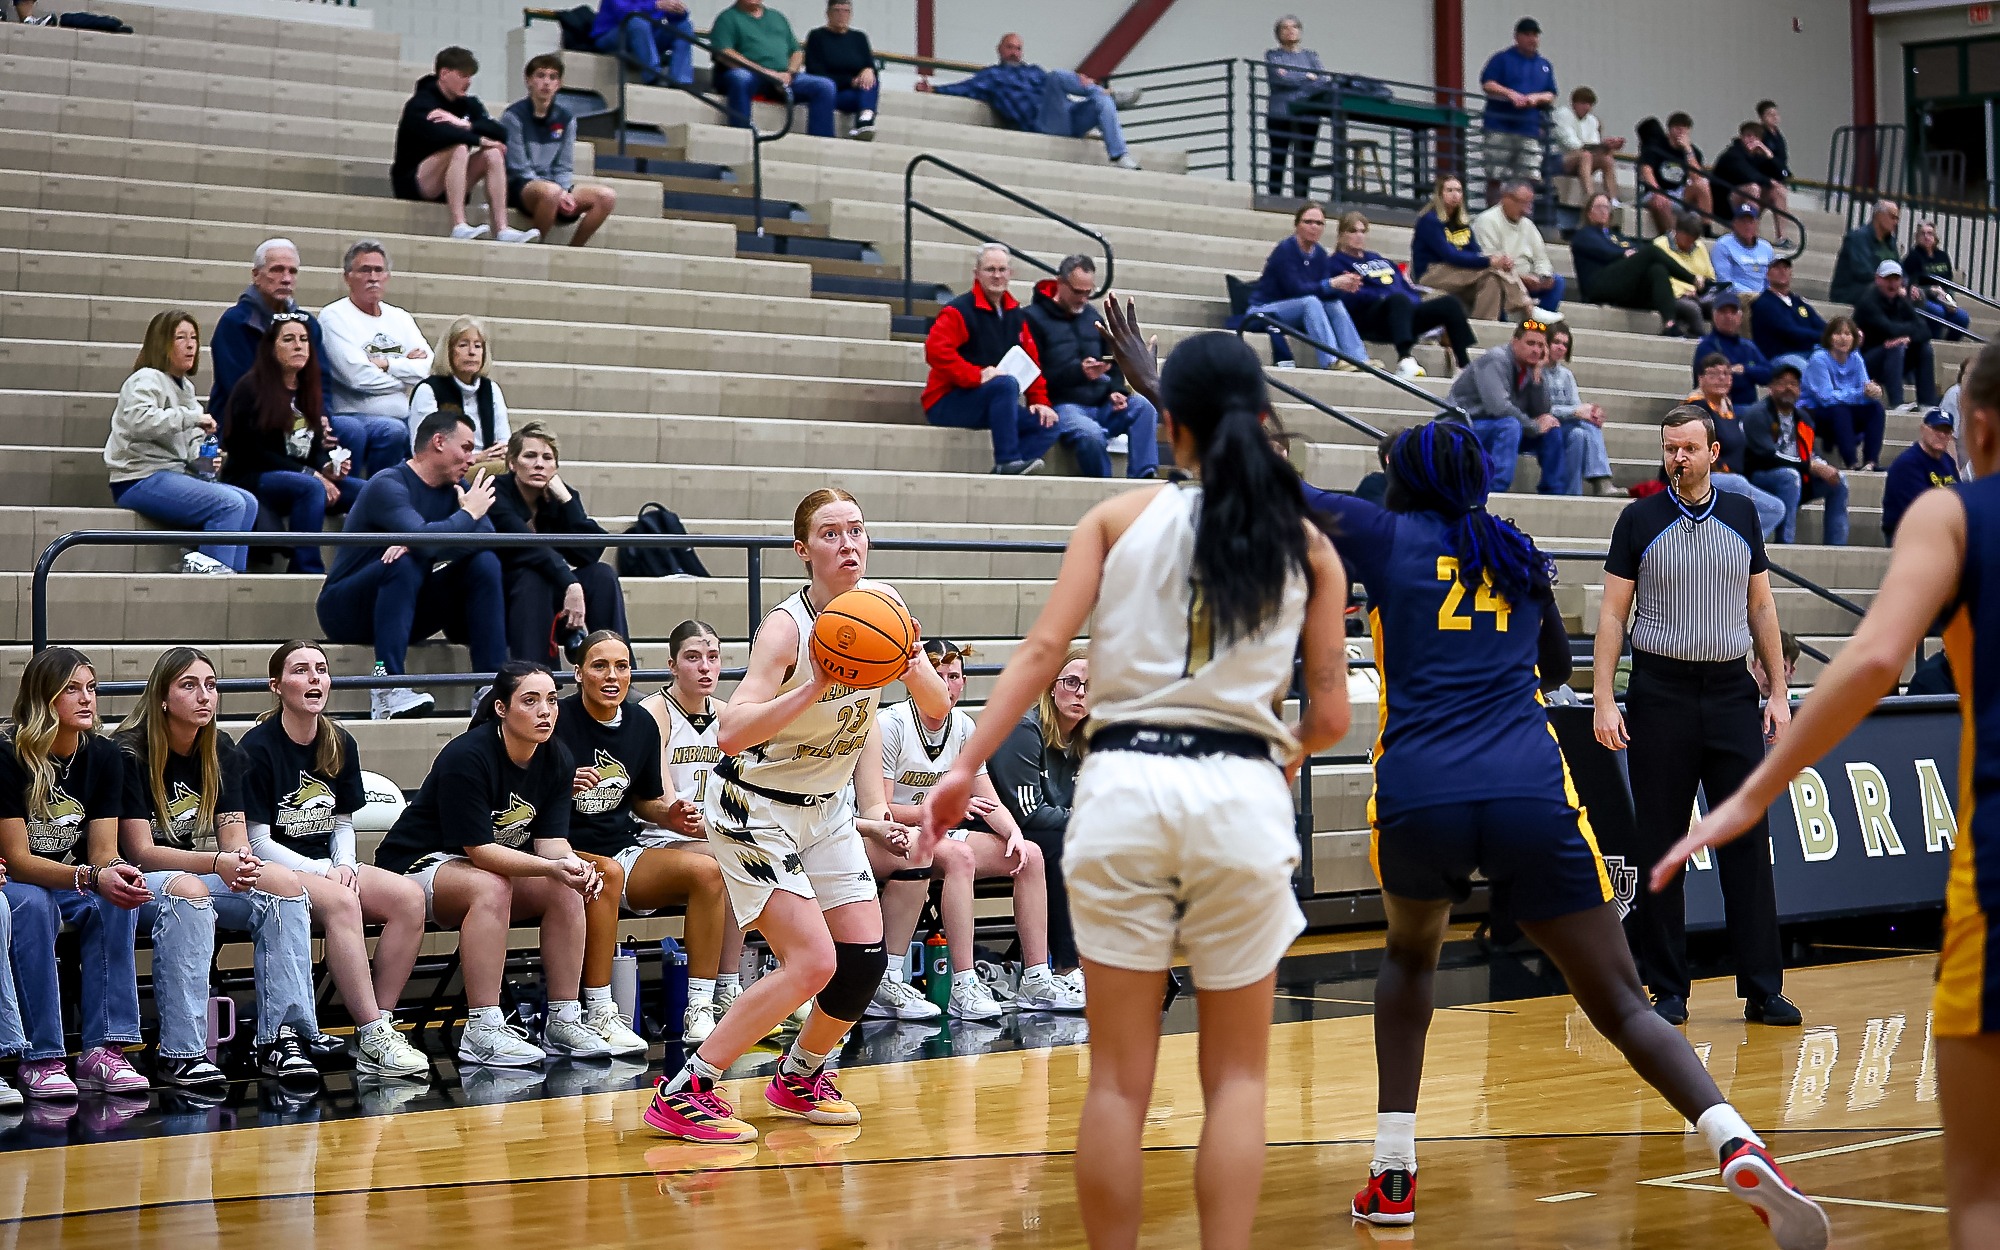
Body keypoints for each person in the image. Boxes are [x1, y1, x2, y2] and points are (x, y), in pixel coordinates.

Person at [1315, 420, 1825, 1243]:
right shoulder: (1513, 549)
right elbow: (1554, 667)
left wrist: (1171, 397)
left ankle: (1394, 1171)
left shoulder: (1387, 533)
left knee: (1409, 963)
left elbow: (1263, 484)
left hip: (1423, 793)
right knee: (1624, 1005)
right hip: (1527, 790)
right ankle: (1734, 1138)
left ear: (1410, 481)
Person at [925, 316, 1350, 1250]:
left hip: (1122, 786)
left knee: (1118, 1080)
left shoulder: (1116, 518)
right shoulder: (1309, 545)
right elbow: (1330, 720)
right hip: (1240, 792)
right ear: (1263, 413)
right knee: (1236, 1080)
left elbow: (1041, 654)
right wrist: (1270, 758)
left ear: (1174, 423)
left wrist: (961, 769)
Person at [1650, 346, 2000, 1248]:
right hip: (1675, 692)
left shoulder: (1952, 514)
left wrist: (1752, 793)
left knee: (1982, 1193)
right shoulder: (1646, 522)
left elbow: (1877, 658)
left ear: (1979, 427)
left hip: (1998, 869)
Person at [643, 488, 950, 1145]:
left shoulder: (885, 609)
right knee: (812, 962)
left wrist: (912, 657)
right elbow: (729, 732)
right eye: (832, 534)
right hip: (753, 808)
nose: (849, 545)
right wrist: (812, 682)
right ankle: (685, 1089)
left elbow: (934, 707)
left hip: (825, 808)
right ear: (803, 550)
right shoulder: (787, 629)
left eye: (857, 531)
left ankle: (801, 1075)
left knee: (864, 957)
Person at [1593, 408, 1799, 1029]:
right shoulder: (1638, 518)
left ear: (1713, 451)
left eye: (1687, 448)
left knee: (1746, 839)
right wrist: (1605, 697)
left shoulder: (1741, 514)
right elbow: (1610, 616)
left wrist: (1778, 690)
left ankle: (1763, 987)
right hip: (1660, 691)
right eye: (1668, 449)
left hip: (1732, 690)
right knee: (1662, 843)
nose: (1677, 458)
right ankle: (1668, 987)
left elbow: (1761, 607)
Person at [372, 663, 611, 1066]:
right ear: (501, 708)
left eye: (552, 700)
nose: (545, 711)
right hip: (417, 865)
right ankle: (482, 1029)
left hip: (482, 868)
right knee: (491, 885)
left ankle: (564, 1019)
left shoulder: (557, 757)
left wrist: (571, 866)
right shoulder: (468, 755)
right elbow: (480, 850)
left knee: (565, 886)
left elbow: (550, 843)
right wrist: (551, 867)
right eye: (530, 701)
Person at [115, 647, 324, 1084]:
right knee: (189, 892)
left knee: (283, 885)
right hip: (130, 880)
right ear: (162, 698)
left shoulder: (219, 748)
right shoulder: (128, 751)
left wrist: (243, 864)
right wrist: (217, 861)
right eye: (189, 686)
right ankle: (182, 1051)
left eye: (210, 686)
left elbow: (234, 840)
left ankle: (279, 1039)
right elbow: (140, 851)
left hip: (189, 869)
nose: (204, 696)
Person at [238, 642, 431, 1079]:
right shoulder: (257, 748)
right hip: (275, 870)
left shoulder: (339, 740)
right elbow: (257, 841)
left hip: (328, 865)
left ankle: (378, 1027)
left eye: (321, 670)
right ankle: (371, 1026)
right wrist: (326, 872)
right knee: (344, 903)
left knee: (408, 897)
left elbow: (341, 820)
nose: (314, 679)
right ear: (276, 685)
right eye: (300, 670)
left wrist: (344, 864)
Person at [869, 639, 1085, 1021]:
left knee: (1030, 855)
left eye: (953, 676)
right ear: (914, 682)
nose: (946, 684)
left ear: (963, 683)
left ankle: (1036, 979)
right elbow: (881, 809)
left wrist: (1013, 833)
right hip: (887, 834)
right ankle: (962, 983)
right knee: (959, 855)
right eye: (937, 675)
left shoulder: (964, 725)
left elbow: (989, 800)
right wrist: (933, 811)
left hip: (936, 833)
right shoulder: (892, 724)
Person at [556, 630, 730, 1052]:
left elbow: (645, 799)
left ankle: (701, 1007)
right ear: (578, 673)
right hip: (557, 851)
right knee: (606, 873)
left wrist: (667, 813)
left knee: (710, 872)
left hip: (622, 847)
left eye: (622, 666)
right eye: (600, 666)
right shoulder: (555, 720)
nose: (613, 675)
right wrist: (562, 782)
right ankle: (599, 1011)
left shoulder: (640, 723)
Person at [0, 647, 154, 1099]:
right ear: (43, 698)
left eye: (91, 688)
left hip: (67, 875)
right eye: (72, 690)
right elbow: (19, 859)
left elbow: (104, 853)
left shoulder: (104, 755)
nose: (87, 699)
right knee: (34, 903)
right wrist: (89, 877)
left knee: (115, 898)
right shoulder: (8, 756)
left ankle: (103, 1049)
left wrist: (116, 874)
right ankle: (42, 1055)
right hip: (13, 879)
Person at [315, 409, 507, 722]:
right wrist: (462, 519)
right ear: (439, 442)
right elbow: (431, 540)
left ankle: (489, 687)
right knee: (405, 560)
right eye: (467, 448)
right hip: (346, 608)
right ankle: (387, 683)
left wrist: (424, 539)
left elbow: (487, 539)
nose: (473, 460)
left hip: (406, 606)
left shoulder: (456, 491)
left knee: (484, 563)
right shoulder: (388, 484)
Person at [638, 621, 751, 1040]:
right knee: (735, 861)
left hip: (713, 837)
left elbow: (742, 788)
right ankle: (705, 997)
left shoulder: (727, 715)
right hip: (659, 838)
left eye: (713, 657)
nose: (705, 667)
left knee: (752, 855)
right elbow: (666, 802)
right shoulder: (655, 712)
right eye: (692, 657)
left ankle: (729, 989)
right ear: (672, 664)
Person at [106, 310, 260, 575]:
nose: (191, 345)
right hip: (138, 477)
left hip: (172, 474)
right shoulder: (145, 378)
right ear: (161, 343)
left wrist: (207, 460)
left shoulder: (185, 388)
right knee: (229, 504)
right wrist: (192, 418)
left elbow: (188, 449)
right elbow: (139, 421)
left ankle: (232, 579)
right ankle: (209, 584)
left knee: (248, 501)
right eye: (180, 338)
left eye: (194, 338)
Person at [222, 314, 358, 575]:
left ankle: (354, 566)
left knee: (366, 490)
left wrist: (327, 466)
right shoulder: (250, 388)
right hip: (253, 476)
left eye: (304, 339)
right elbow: (249, 452)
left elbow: (312, 448)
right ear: (271, 348)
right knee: (310, 487)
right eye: (289, 339)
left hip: (298, 478)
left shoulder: (308, 388)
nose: (299, 345)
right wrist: (311, 474)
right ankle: (305, 569)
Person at [987, 644, 1088, 989]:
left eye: (1091, 687)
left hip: (1047, 832)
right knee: (1062, 846)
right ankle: (1065, 966)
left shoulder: (1088, 738)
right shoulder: (1024, 729)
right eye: (1071, 682)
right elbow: (1026, 813)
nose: (1080, 694)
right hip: (996, 831)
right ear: (1051, 684)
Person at [488, 423, 629, 667]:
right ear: (512, 463)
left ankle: (618, 671)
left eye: (547, 457)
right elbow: (525, 545)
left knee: (602, 575)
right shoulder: (495, 491)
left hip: (551, 599)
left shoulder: (559, 497)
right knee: (532, 576)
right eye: (530, 456)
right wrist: (571, 584)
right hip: (505, 598)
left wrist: (566, 501)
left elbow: (588, 552)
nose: (539, 464)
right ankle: (536, 679)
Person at [922, 243, 1059, 476]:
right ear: (977, 274)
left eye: (1002, 269)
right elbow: (935, 351)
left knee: (1048, 424)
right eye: (990, 269)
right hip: (947, 402)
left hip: (992, 403)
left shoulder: (1016, 315)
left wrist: (1039, 401)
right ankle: (1008, 461)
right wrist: (976, 375)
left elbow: (1030, 361)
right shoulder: (959, 311)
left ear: (1010, 274)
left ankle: (1005, 473)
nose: (997, 275)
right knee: (1006, 384)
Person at [1023, 254, 1161, 479]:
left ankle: (1144, 477)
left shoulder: (1091, 315)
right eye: (1077, 292)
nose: (1083, 299)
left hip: (1101, 401)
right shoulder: (1032, 318)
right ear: (1060, 283)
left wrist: (1117, 390)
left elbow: (1115, 359)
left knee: (1144, 407)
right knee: (1091, 434)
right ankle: (1103, 487)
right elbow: (1035, 373)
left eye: (1088, 292)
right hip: (1063, 404)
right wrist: (1078, 372)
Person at [934, 32, 1143, 170]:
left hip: (1067, 117)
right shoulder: (992, 76)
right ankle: (1109, 94)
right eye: (1010, 48)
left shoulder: (1034, 71)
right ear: (999, 49)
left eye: (1018, 49)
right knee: (1057, 76)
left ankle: (1120, 156)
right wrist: (934, 89)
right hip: (1041, 124)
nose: (1014, 53)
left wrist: (1081, 83)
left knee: (1099, 101)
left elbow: (1059, 92)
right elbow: (963, 88)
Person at [391, 47, 535, 243]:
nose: (468, 82)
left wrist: (465, 124)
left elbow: (500, 132)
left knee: (492, 154)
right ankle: (459, 224)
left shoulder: (468, 104)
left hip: (450, 180)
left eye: (470, 76)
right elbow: (438, 134)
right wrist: (478, 139)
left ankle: (502, 228)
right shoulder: (421, 103)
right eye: (462, 75)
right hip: (417, 180)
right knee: (458, 147)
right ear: (444, 73)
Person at [319, 241, 438, 478]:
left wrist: (387, 365)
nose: (373, 277)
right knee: (393, 431)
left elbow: (432, 369)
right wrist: (408, 372)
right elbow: (358, 378)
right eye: (364, 270)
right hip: (353, 415)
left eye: (379, 270)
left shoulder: (400, 317)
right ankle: (376, 498)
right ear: (347, 277)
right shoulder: (334, 317)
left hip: (405, 414)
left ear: (387, 276)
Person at [1330, 210, 1478, 378]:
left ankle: (1464, 365)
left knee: (1449, 303)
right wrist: (1381, 297)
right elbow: (1349, 297)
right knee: (1398, 300)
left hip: (1401, 313)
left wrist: (1413, 303)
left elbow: (1403, 285)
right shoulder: (1335, 263)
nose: (1359, 236)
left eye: (1362, 231)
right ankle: (1405, 358)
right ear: (1341, 234)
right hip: (1370, 319)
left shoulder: (1377, 258)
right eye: (1353, 231)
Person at [504, 54, 620, 247]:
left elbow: (564, 166)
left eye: (552, 77)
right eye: (540, 75)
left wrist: (565, 191)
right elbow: (519, 167)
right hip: (521, 186)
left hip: (555, 186)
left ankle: (575, 249)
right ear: (528, 80)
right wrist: (557, 192)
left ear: (559, 83)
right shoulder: (513, 116)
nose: (546, 83)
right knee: (551, 192)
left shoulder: (566, 119)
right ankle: (536, 246)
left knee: (606, 196)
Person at [1247, 204, 1372, 372]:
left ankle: (1359, 359)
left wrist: (1343, 286)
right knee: (1310, 302)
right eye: (1308, 222)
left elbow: (1323, 292)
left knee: (1333, 304)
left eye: (1319, 223)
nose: (1314, 227)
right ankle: (1331, 360)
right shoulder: (1285, 250)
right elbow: (1295, 289)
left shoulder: (1319, 253)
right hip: (1265, 310)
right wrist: (1331, 284)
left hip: (1299, 310)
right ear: (1297, 225)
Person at [1447, 320, 1563, 494]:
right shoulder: (1496, 359)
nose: (1536, 350)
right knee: (1510, 425)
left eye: (1540, 346)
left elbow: (1542, 412)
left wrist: (1538, 375)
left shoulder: (1530, 366)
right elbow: (1498, 408)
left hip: (1498, 426)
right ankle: (1496, 490)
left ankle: (1554, 492)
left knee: (1551, 428)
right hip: (1463, 424)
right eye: (1530, 343)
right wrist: (1534, 426)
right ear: (1514, 342)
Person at [1743, 364, 1850, 546]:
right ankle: (1785, 543)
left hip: (1799, 477)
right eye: (1782, 383)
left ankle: (1836, 545)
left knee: (1839, 480)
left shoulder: (1804, 418)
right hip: (1761, 477)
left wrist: (1820, 465)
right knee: (1789, 476)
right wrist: (1810, 466)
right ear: (1770, 388)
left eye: (1793, 384)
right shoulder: (1757, 414)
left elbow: (1809, 452)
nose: (1788, 388)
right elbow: (1768, 456)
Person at [1686, 352, 1789, 539]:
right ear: (1700, 379)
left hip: (1729, 481)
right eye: (1714, 374)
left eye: (1726, 373)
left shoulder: (1728, 408)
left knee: (1775, 509)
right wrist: (1725, 472)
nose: (1721, 378)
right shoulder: (1695, 407)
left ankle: (1739, 549)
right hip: (1698, 479)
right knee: (1738, 483)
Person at [1569, 193, 1700, 337]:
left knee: (1657, 269)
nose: (1603, 211)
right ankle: (1693, 280)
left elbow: (1634, 251)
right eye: (1598, 207)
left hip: (1621, 286)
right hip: (1598, 285)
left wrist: (1630, 255)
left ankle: (1669, 324)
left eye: (1606, 207)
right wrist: (1623, 254)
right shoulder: (1583, 234)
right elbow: (1605, 252)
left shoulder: (1616, 236)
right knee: (1651, 251)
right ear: (1589, 212)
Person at [1411, 174, 1532, 323]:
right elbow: (1450, 255)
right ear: (1439, 194)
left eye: (1459, 190)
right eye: (1449, 190)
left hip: (1457, 273)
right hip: (1432, 273)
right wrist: (1490, 261)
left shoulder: (1462, 222)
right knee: (1492, 268)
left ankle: (1484, 326)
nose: (1455, 195)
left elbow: (1475, 252)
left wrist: (1497, 260)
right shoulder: (1429, 221)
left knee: (1492, 279)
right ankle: (1527, 306)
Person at [710, 0, 838, 140]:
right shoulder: (727, 18)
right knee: (740, 78)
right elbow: (725, 53)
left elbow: (797, 51)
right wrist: (765, 72)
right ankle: (743, 137)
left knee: (825, 86)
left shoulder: (777, 18)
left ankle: (821, 142)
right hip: (752, 75)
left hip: (784, 76)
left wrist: (790, 73)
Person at [407, 316, 509, 464]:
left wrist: (501, 451)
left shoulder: (491, 389)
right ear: (448, 351)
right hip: (445, 471)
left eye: (478, 346)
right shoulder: (428, 390)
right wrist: (476, 458)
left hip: (489, 465)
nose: (472, 352)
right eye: (463, 345)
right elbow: (423, 452)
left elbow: (504, 441)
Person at [1477, 17, 1556, 196]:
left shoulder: (1544, 66)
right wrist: (1510, 94)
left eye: (1535, 35)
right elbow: (1488, 84)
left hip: (1528, 127)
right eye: (1527, 34)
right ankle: (1494, 217)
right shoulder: (1502, 59)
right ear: (1517, 37)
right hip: (1500, 125)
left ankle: (1524, 219)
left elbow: (1551, 93)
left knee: (1529, 177)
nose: (1532, 39)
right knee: (1496, 174)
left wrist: (1535, 98)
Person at [1800, 315, 1889, 470]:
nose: (1843, 338)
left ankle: (1871, 462)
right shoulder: (1819, 359)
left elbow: (1865, 389)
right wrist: (1860, 394)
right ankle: (1852, 463)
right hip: (1814, 411)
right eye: (1838, 333)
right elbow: (1826, 398)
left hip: (1843, 409)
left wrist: (1874, 391)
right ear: (1829, 337)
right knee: (1840, 410)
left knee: (1876, 409)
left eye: (1848, 334)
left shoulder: (1855, 358)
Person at [1854, 260, 1940, 414]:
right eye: (1888, 279)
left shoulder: (1900, 300)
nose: (1892, 284)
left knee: (1924, 348)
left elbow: (1925, 330)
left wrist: (1908, 338)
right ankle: (1896, 403)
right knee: (1896, 347)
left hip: (1893, 359)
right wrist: (1905, 334)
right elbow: (1889, 329)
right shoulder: (1868, 300)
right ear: (1878, 279)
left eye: (1896, 279)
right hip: (1867, 360)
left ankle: (1926, 403)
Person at [1472, 179, 1565, 316]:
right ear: (1506, 198)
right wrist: (1520, 277)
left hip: (1531, 279)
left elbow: (1541, 258)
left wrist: (1543, 277)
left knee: (1557, 282)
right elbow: (1490, 261)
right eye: (1522, 203)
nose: (1526, 210)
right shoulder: (1486, 221)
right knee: (1495, 282)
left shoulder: (1528, 225)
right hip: (1503, 278)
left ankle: (1539, 324)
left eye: (1529, 204)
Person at [1263, 15, 1330, 198]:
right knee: (1278, 157)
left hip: (1308, 115)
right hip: (1280, 114)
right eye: (1285, 27)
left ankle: (1301, 200)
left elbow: (1324, 80)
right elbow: (1279, 78)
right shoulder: (1273, 55)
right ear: (1278, 34)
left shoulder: (1311, 56)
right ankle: (1274, 197)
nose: (1290, 30)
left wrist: (1296, 83)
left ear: (1300, 31)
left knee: (1304, 159)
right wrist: (1307, 78)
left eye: (1294, 27)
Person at [1546, 324, 1613, 496]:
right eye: (1556, 342)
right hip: (1545, 425)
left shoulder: (1566, 375)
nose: (1561, 347)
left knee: (1583, 431)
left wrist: (1589, 412)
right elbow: (1541, 409)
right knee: (1582, 429)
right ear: (1546, 343)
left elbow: (1576, 405)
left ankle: (1583, 489)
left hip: (1566, 426)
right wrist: (1575, 412)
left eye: (1565, 344)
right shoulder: (1537, 370)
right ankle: (1601, 480)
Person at [1882, 407, 1960, 541]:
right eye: (1936, 429)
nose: (1941, 435)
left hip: (1941, 530)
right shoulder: (1908, 464)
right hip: (1908, 534)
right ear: (1923, 429)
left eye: (1946, 431)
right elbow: (1919, 509)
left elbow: (1961, 498)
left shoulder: (1948, 461)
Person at [803, 1, 878, 140]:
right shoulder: (817, 36)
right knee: (862, 88)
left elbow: (869, 64)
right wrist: (850, 81)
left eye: (846, 11)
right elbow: (815, 72)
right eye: (837, 10)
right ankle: (865, 118)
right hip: (830, 94)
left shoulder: (859, 38)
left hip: (855, 94)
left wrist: (868, 69)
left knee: (871, 78)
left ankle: (865, 118)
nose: (841, 15)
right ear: (828, 13)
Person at [1693, 289, 1773, 409]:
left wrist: (1745, 370)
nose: (1728, 317)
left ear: (1740, 316)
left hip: (1748, 408)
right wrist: (1745, 375)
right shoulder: (1707, 346)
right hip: (1716, 407)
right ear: (1714, 315)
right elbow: (1714, 381)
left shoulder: (1748, 346)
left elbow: (1770, 374)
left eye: (1733, 312)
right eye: (1723, 312)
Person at [1636, 113, 1712, 235]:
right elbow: (1646, 170)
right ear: (1669, 129)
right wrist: (1657, 191)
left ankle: (1706, 230)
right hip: (1655, 191)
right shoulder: (1656, 146)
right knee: (1661, 201)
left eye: (1684, 128)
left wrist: (1688, 151)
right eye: (1677, 128)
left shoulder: (1693, 151)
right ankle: (1673, 239)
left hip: (1679, 193)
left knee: (1702, 184)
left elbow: (1697, 177)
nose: (1680, 132)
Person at [590, 0, 694, 89]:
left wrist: (678, 11)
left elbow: (673, 18)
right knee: (637, 21)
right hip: (611, 36)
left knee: (684, 26)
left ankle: (680, 80)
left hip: (646, 36)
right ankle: (653, 76)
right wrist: (656, 5)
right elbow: (625, 13)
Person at [1749, 257, 1826, 374]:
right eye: (1777, 268)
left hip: (1807, 351)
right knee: (1810, 371)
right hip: (1779, 356)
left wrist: (1835, 334)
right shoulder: (1764, 303)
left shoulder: (1797, 302)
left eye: (1785, 268)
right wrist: (1826, 337)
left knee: (1843, 353)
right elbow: (1789, 331)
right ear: (1768, 274)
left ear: (1791, 273)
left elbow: (1819, 323)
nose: (1782, 271)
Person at [1550, 85, 1623, 204]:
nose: (1587, 107)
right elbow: (1571, 144)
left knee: (1607, 159)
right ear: (1574, 103)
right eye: (1583, 103)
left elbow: (1594, 144)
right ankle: (1590, 198)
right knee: (1586, 156)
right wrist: (1600, 146)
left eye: (1590, 104)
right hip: (1558, 159)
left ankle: (1614, 200)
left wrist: (1607, 147)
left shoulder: (1592, 120)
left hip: (1581, 160)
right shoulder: (1562, 114)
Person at [1903, 220, 1972, 341]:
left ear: (1935, 237)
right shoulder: (1913, 257)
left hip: (1942, 298)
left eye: (1930, 233)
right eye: (1922, 233)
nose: (1926, 237)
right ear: (1917, 237)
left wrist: (1950, 301)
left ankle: (1950, 345)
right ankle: (1935, 342)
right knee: (1937, 312)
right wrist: (1930, 290)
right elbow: (1910, 285)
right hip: (1923, 299)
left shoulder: (1943, 256)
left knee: (1962, 317)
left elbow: (1949, 285)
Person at [1712, 120, 1790, 223]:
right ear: (1741, 137)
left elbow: (1784, 174)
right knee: (1753, 188)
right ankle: (1751, 232)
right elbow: (1749, 175)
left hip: (1747, 197)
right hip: (1723, 201)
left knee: (1778, 190)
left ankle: (1782, 238)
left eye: (1756, 137)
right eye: (1748, 136)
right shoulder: (1732, 154)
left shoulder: (1759, 156)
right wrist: (1770, 181)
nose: (1752, 140)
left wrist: (1770, 156)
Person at [1830, 199, 1902, 304]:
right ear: (1879, 215)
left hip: (1882, 286)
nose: (1895, 222)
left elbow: (1899, 267)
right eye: (1892, 217)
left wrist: (1904, 284)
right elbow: (1862, 271)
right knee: (1881, 292)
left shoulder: (1890, 242)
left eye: (1897, 219)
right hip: (1851, 289)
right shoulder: (1857, 238)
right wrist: (1890, 284)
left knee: (1915, 294)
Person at [1653, 211, 1719, 317]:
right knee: (1693, 309)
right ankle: (1698, 334)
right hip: (1673, 296)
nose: (1690, 244)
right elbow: (1658, 279)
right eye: (1688, 240)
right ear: (1677, 232)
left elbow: (1710, 277)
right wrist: (1683, 292)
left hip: (1698, 295)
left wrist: (1702, 283)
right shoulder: (1660, 246)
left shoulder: (1699, 246)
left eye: (1693, 240)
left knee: (1721, 307)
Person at [1711, 203, 1775, 306]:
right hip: (1735, 297)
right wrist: (1751, 295)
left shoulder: (1766, 248)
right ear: (1734, 224)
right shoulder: (1723, 245)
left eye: (1750, 222)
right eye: (1742, 222)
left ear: (1756, 224)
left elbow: (1770, 280)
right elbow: (1724, 281)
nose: (1747, 226)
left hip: (1762, 298)